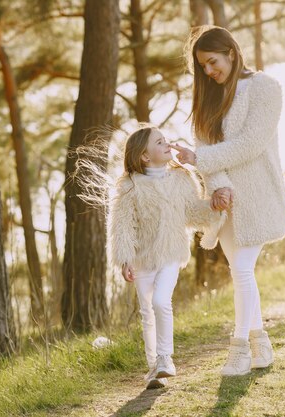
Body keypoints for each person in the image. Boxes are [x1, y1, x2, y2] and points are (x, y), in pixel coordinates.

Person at [170, 26, 285, 376]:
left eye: (211, 62)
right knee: (241, 274)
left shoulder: (266, 88)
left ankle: (238, 349)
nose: (208, 72)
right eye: (202, 67)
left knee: (241, 270)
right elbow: (205, 146)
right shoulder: (208, 97)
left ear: (231, 53)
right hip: (224, 202)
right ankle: (261, 344)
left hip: (258, 197)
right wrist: (218, 184)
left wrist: (198, 160)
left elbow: (251, 144)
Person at [108, 125, 226, 389]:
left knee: (161, 301)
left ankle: (165, 358)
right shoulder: (130, 186)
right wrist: (125, 259)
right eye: (159, 142)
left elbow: (192, 212)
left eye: (166, 140)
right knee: (147, 312)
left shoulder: (182, 179)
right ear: (145, 157)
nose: (167, 144)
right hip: (142, 258)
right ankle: (154, 368)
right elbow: (123, 224)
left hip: (171, 251)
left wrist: (212, 207)